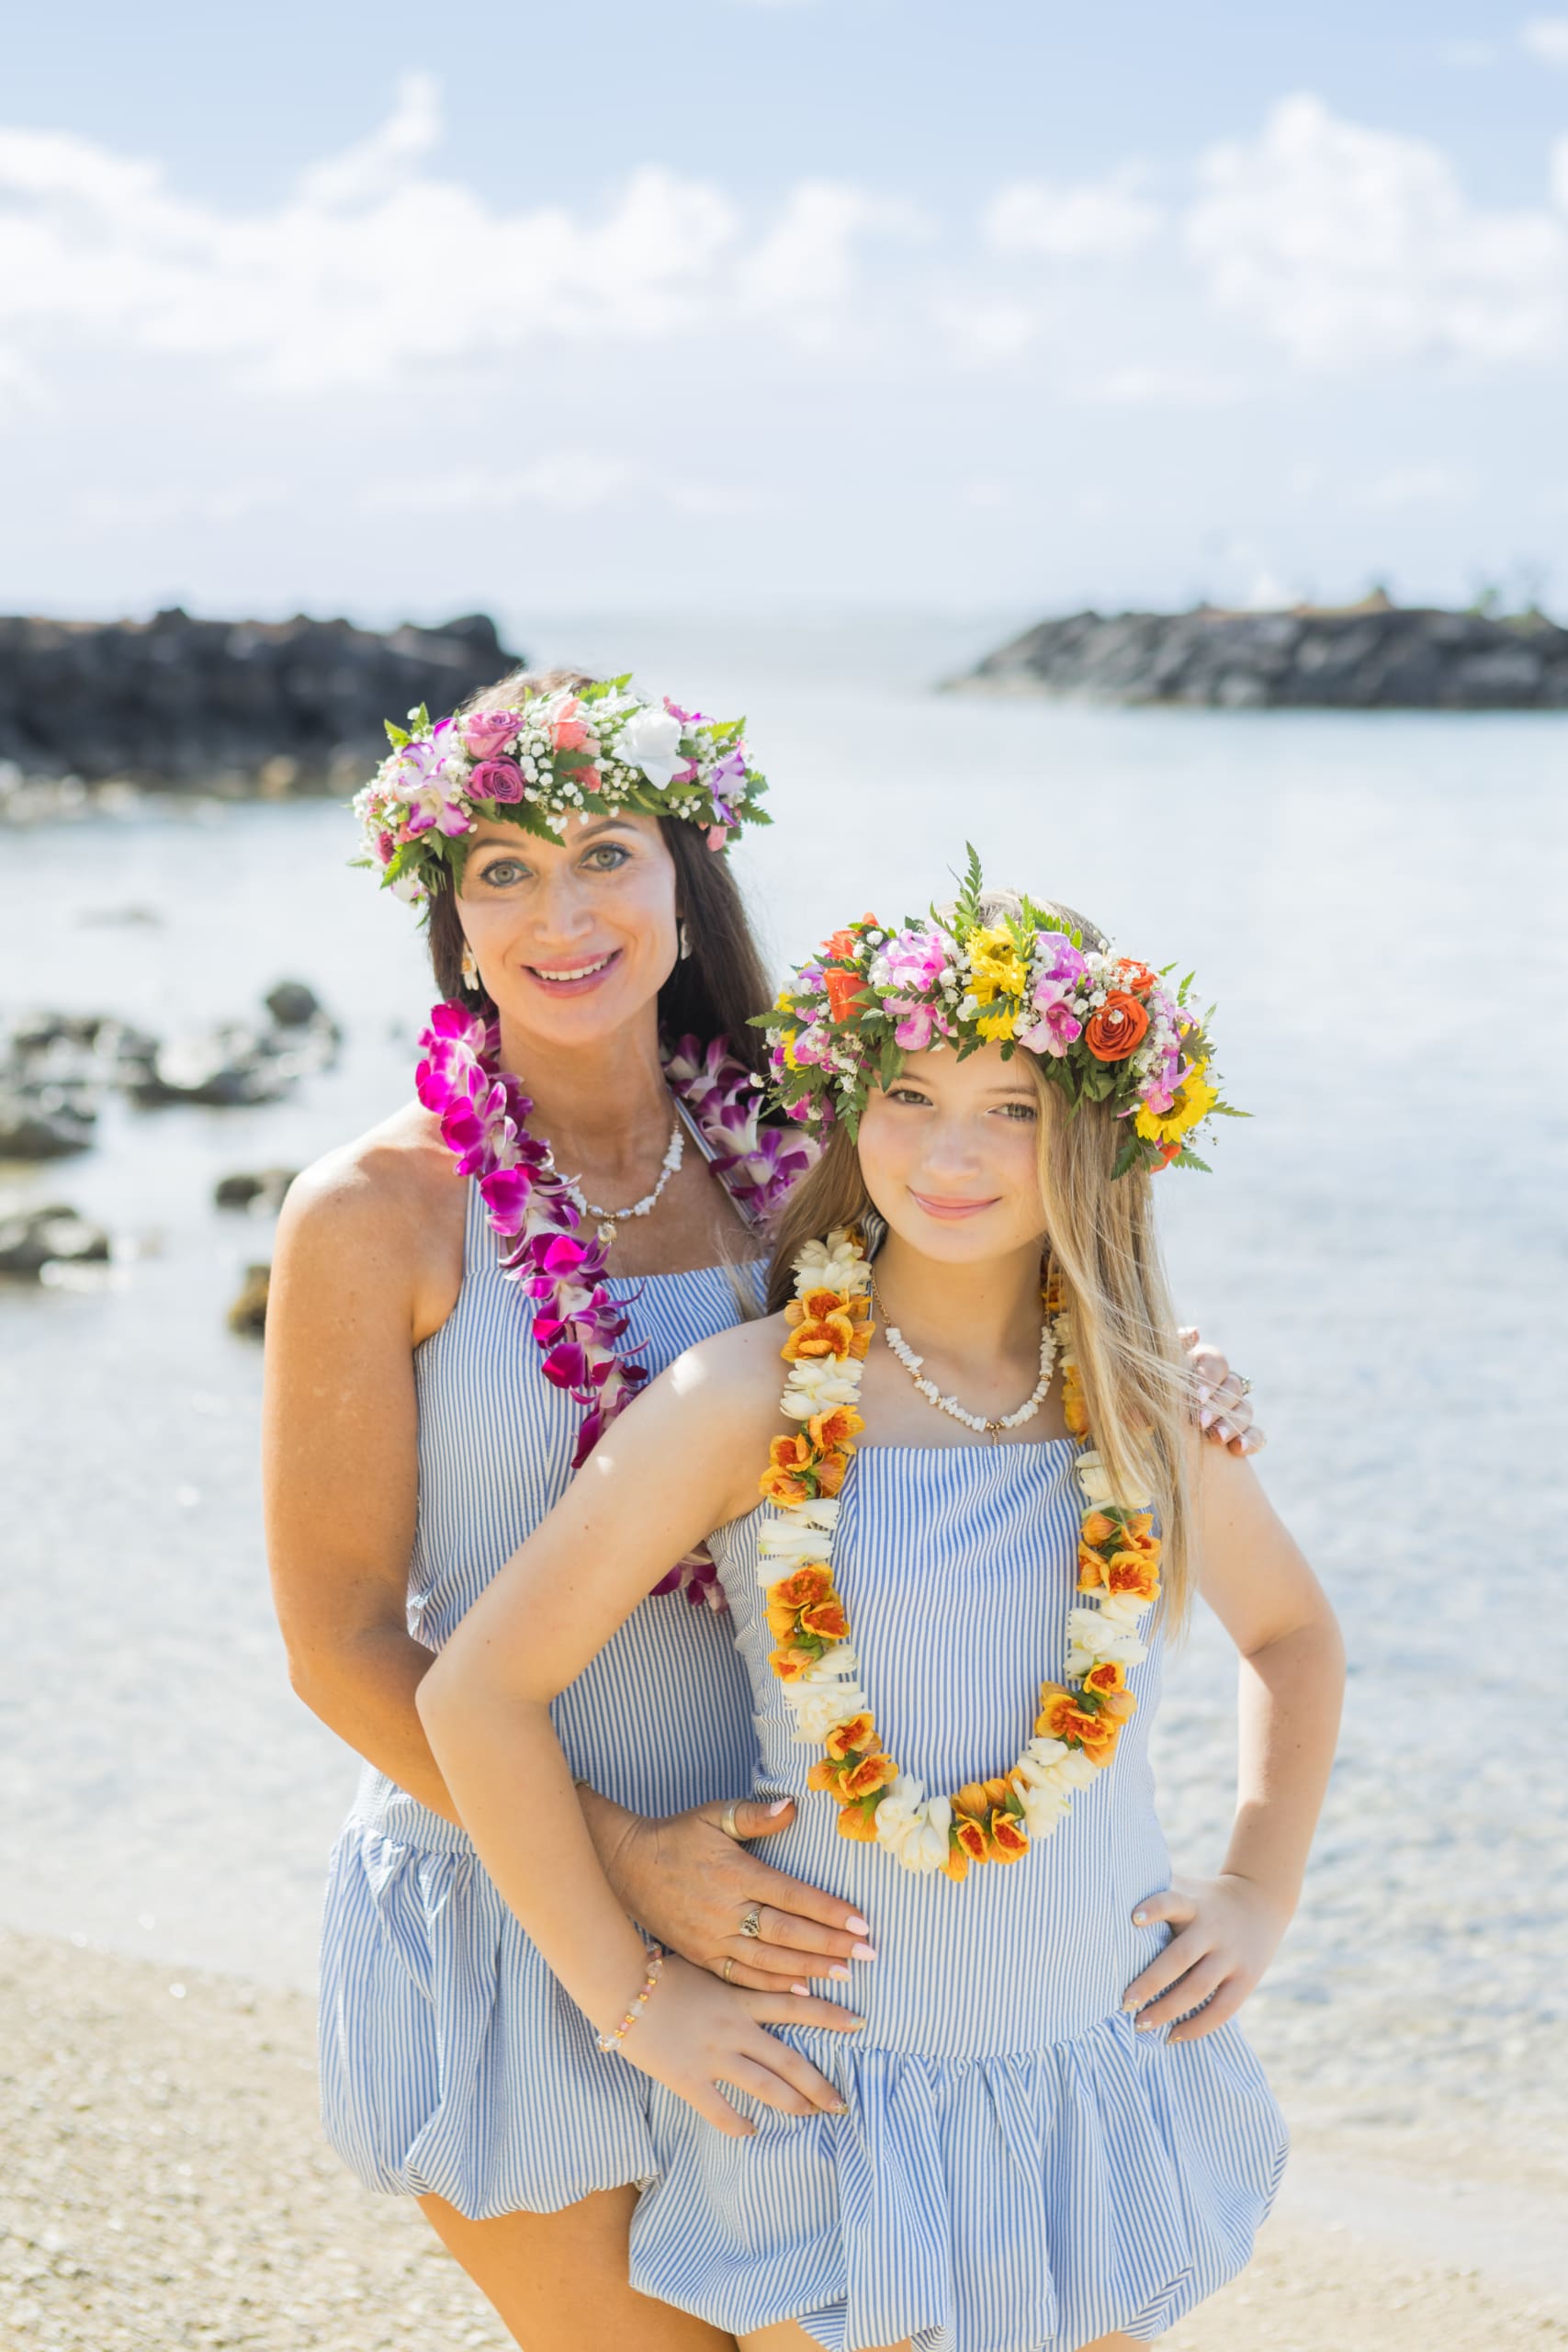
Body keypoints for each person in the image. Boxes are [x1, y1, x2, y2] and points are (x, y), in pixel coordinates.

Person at [264, 679, 1263, 2352]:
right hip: (523, 1914)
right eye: (500, 870)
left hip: (826, 1940)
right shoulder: (377, 1212)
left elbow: (1003, 1304)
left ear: (687, 880)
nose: (560, 914)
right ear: (445, 910)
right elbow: (341, 1642)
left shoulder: (802, 1143)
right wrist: (627, 1880)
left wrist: (1169, 1373)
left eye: (605, 855)